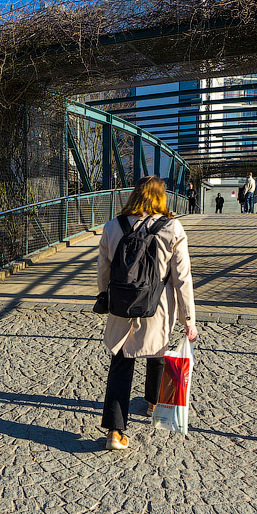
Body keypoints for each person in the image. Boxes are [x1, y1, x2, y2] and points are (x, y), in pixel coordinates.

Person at [97, 177, 198, 451]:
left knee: (121, 362)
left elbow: (103, 270)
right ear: (161, 197)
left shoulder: (112, 227)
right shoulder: (172, 228)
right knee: (158, 352)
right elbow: (182, 278)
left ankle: (115, 433)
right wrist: (189, 320)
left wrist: (106, 297)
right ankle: (154, 402)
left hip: (121, 304)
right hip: (157, 305)